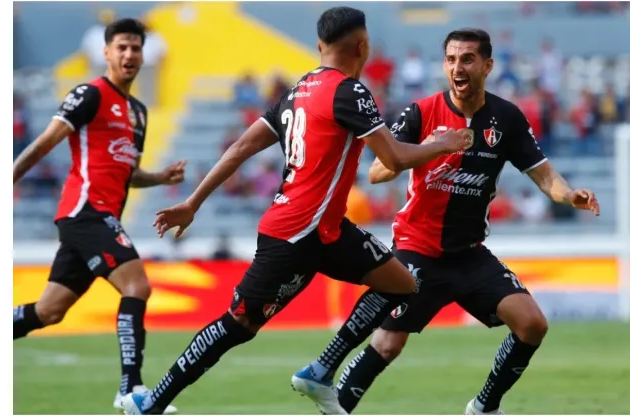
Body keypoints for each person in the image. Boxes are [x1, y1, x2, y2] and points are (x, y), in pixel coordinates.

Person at [119, 7, 471, 415]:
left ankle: (321, 370)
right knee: (239, 325)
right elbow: (392, 156)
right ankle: (152, 402)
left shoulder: (297, 91)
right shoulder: (351, 91)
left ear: (320, 46)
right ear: (363, 45)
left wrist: (193, 202)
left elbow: (239, 148)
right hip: (294, 234)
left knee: (402, 284)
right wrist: (443, 145)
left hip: (328, 230)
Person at [330, 28, 601, 415]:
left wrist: (569, 194)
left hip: (470, 255)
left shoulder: (506, 118)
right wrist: (431, 147)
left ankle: (484, 407)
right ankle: (336, 407)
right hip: (418, 250)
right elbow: (377, 172)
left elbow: (543, 175)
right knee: (388, 345)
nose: (458, 67)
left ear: (487, 66)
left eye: (468, 59)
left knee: (532, 324)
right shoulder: (422, 112)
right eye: (451, 59)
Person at [12, 18, 184, 415]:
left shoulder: (138, 113)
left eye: (135, 48)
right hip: (85, 212)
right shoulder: (90, 94)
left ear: (143, 55)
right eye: (121, 47)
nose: (129, 54)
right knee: (137, 286)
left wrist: (160, 177)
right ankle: (130, 391)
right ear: (106, 52)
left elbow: (128, 172)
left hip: (97, 217)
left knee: (48, 311)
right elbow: (45, 142)